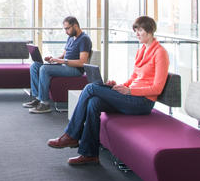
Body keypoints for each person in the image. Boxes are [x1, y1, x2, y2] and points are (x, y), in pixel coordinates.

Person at [47, 15, 168, 165]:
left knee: (90, 87)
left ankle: (72, 134)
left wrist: (129, 91)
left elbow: (157, 88)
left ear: (150, 31)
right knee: (94, 103)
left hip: (142, 102)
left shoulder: (160, 53)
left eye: (140, 31)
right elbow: (135, 77)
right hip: (131, 95)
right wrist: (119, 85)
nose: (136, 34)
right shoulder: (141, 50)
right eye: (135, 31)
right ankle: (89, 154)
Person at [25, 15, 93, 114]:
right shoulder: (71, 38)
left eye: (67, 28)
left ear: (75, 26)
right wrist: (54, 59)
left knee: (44, 69)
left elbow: (82, 62)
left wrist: (62, 61)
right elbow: (63, 56)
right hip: (65, 66)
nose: (66, 32)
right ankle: (37, 98)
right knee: (35, 66)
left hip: (75, 69)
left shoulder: (84, 39)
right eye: (65, 29)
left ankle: (45, 104)